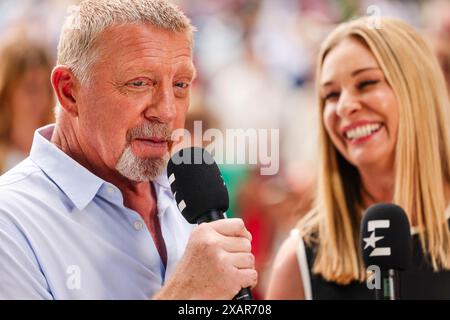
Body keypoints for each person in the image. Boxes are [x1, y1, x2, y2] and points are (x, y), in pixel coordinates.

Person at [0, 0, 256, 300]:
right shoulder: (12, 221)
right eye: (139, 83)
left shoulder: (191, 197)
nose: (167, 111)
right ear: (69, 91)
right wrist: (184, 294)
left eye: (181, 84)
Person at [266, 17, 450, 299]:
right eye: (330, 95)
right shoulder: (299, 259)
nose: (345, 106)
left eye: (366, 83)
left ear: (418, 91)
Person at [0, 39, 54, 173]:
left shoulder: (59, 153)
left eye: (47, 88)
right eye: (31, 88)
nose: (41, 97)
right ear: (7, 92)